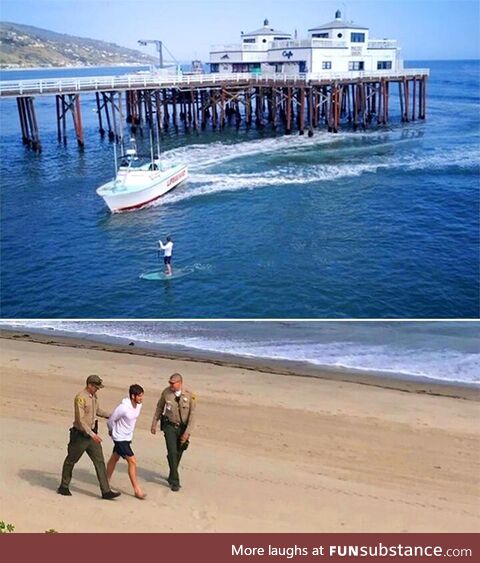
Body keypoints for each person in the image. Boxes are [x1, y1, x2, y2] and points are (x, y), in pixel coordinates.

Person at [58, 374, 121, 500]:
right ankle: (64, 486)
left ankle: (106, 491)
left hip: (92, 436)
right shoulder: (80, 398)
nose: (97, 389)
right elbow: (80, 420)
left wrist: (112, 416)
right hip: (80, 436)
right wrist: (92, 435)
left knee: (100, 462)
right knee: (71, 460)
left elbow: (97, 411)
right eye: (96, 387)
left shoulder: (94, 396)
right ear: (89, 385)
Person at [150, 373, 196, 491]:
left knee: (178, 453)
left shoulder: (190, 395)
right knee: (171, 451)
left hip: (183, 428)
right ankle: (175, 481)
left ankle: (171, 474)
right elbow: (159, 407)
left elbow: (192, 416)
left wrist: (187, 432)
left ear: (180, 383)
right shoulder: (166, 393)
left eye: (173, 383)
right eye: (169, 383)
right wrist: (154, 423)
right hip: (169, 426)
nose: (170, 385)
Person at [106, 384, 146, 500]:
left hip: (127, 437)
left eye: (142, 396)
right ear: (133, 396)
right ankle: (137, 490)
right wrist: (111, 431)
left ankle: (105, 481)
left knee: (115, 458)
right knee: (132, 461)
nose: (141, 399)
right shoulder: (123, 408)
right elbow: (111, 420)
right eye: (139, 396)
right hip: (119, 438)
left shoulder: (139, 405)